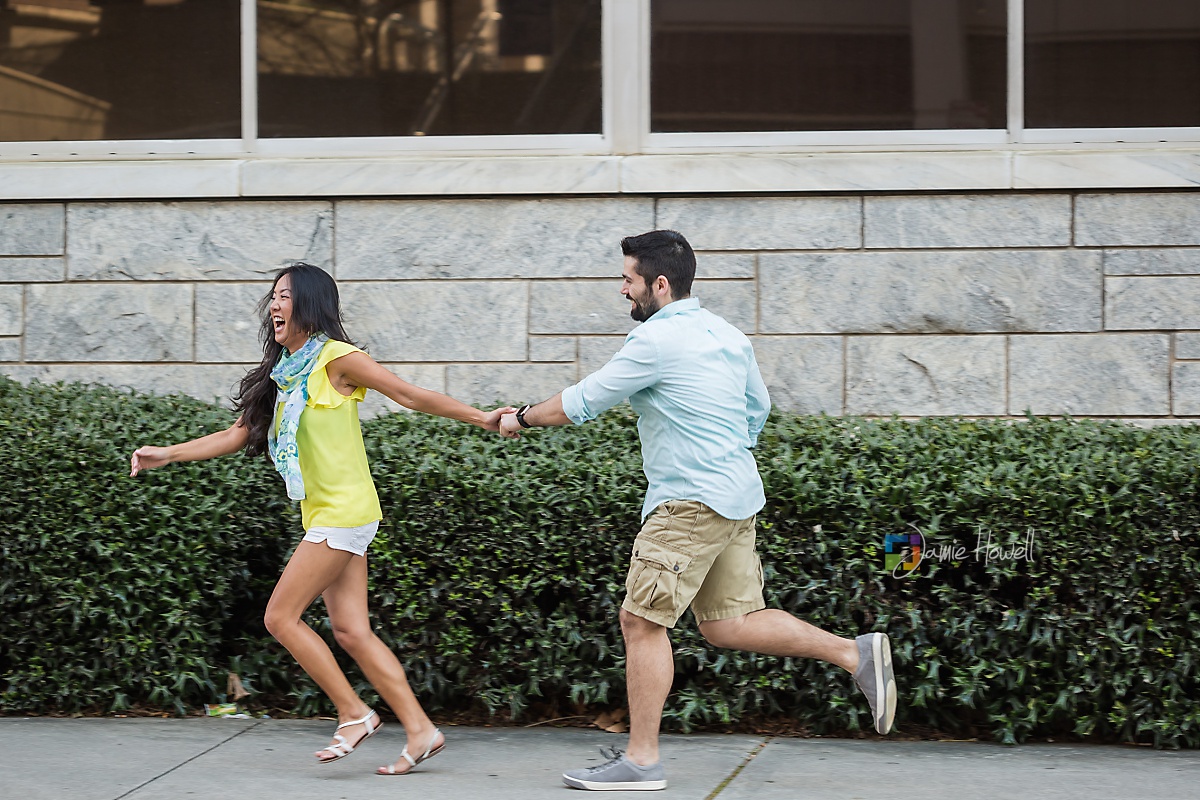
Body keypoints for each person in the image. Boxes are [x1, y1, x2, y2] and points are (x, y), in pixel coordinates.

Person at [499, 230, 898, 792]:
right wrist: (723, 455)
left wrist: (519, 415)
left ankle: (641, 762)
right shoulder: (727, 335)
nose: (622, 290)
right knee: (730, 625)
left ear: (658, 285)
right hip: (734, 496)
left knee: (640, 622)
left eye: (629, 280)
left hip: (688, 504)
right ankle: (851, 652)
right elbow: (756, 411)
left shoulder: (655, 341)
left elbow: (583, 402)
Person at [130, 262, 512, 776]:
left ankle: (354, 713)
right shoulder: (285, 373)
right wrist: (167, 455)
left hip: (344, 511)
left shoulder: (337, 360)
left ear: (309, 303)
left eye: (284, 295)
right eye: (272, 297)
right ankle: (421, 731)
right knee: (352, 631)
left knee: (279, 617)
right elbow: (238, 434)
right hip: (331, 513)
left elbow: (408, 394)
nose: (274, 305)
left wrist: (480, 417)